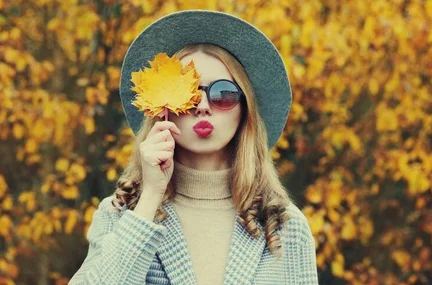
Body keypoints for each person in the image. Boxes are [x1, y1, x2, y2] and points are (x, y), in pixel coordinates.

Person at [69, 10, 319, 285]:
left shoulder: (283, 226)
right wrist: (151, 196)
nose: (202, 106)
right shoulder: (119, 214)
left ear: (244, 109)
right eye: (189, 94)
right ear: (162, 108)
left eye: (223, 93)